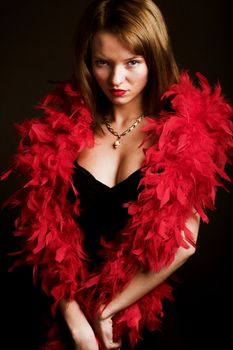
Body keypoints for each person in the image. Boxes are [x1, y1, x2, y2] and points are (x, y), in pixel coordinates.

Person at [1, 0, 232, 349]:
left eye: (132, 63)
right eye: (102, 63)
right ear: (87, 62)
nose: (116, 79)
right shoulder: (58, 132)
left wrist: (105, 311)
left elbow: (183, 244)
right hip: (64, 322)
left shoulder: (184, 134)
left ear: (154, 59)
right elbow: (43, 236)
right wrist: (77, 324)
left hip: (145, 324)